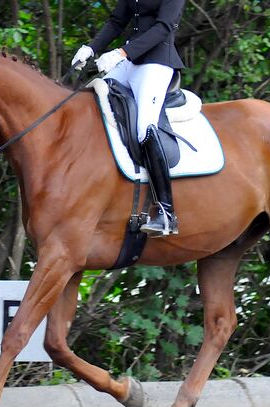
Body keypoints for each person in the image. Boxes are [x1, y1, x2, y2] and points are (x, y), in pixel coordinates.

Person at [71, 0, 186, 237]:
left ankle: (166, 212)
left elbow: (164, 26)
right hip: (130, 62)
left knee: (145, 128)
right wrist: (91, 48)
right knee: (91, 100)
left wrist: (121, 52)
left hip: (156, 62)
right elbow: (117, 21)